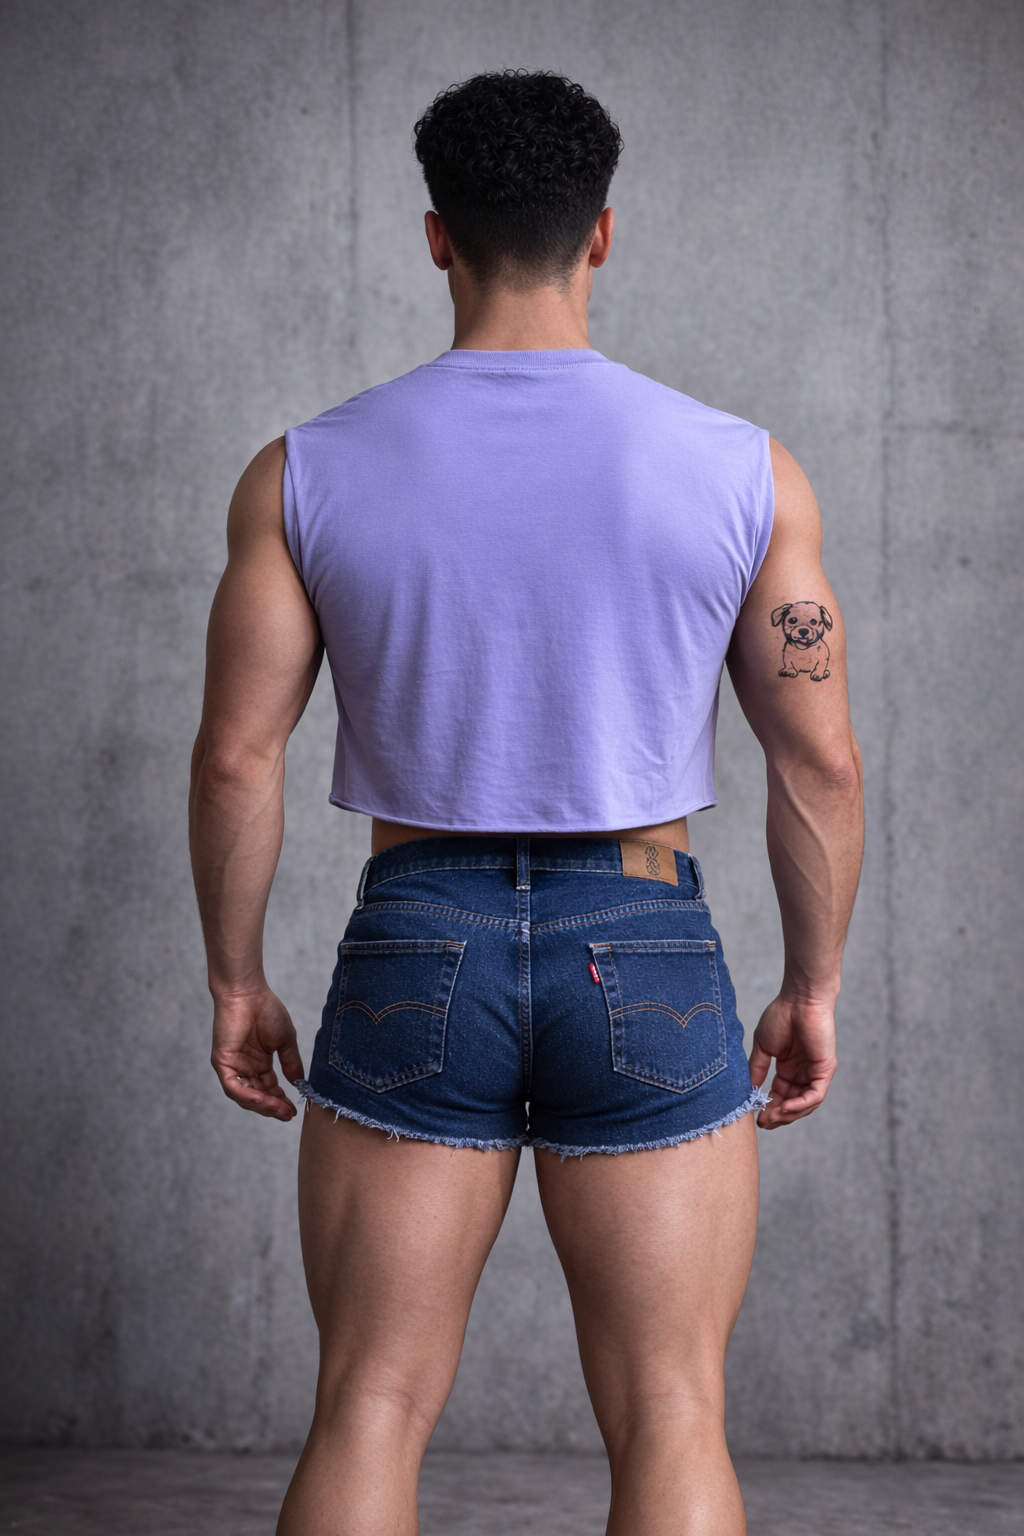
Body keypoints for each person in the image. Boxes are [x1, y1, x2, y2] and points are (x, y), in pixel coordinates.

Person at [189, 70, 863, 1536]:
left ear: (438, 235)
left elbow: (237, 756)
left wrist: (237, 980)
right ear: (601, 232)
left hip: (416, 935)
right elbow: (818, 760)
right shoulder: (741, 469)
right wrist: (812, 986)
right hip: (646, 938)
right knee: (673, 1409)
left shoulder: (306, 469)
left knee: (369, 1402)